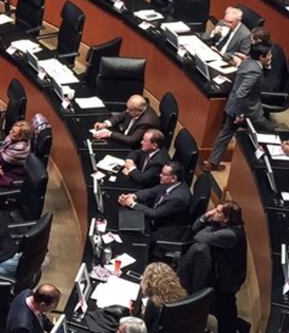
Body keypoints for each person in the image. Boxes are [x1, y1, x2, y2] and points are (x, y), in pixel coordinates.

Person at [205, 43, 275, 171]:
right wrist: (240, 114)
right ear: (261, 57)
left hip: (233, 106)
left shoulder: (247, 62)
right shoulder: (255, 71)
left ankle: (212, 163)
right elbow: (241, 93)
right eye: (269, 55)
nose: (271, 57)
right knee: (272, 132)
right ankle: (271, 164)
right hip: (247, 110)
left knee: (225, 134)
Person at [192, 202, 250, 333]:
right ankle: (239, 325)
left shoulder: (229, 234)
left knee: (224, 307)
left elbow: (199, 237)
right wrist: (207, 216)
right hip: (222, 273)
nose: (213, 213)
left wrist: (210, 224)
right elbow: (195, 227)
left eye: (217, 212)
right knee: (218, 305)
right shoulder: (224, 227)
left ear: (226, 219)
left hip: (228, 278)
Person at [117, 161, 192, 241]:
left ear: (174, 178)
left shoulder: (178, 198)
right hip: (155, 217)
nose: (160, 175)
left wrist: (132, 204)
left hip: (163, 230)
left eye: (164, 174)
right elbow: (151, 191)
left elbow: (155, 214)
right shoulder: (170, 183)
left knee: (128, 237)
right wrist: (133, 196)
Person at [136, 262, 187, 333]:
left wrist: (143, 314)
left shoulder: (153, 303)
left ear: (149, 283)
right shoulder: (181, 295)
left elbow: (144, 329)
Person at [91, 95, 160, 148]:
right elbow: (120, 117)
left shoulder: (147, 122)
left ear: (139, 110)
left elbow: (132, 140)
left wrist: (110, 134)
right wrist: (105, 124)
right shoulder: (135, 109)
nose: (127, 111)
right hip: (123, 136)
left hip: (132, 147)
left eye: (130, 110)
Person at [0, 120, 33, 188]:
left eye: (13, 132)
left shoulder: (20, 149)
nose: (10, 132)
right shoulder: (13, 139)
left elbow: (3, 160)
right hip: (4, 167)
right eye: (11, 129)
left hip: (12, 174)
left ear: (21, 137)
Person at [252, 26, 288, 93]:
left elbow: (273, 83)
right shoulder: (260, 47)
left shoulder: (275, 53)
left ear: (259, 41)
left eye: (253, 40)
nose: (252, 42)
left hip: (270, 91)